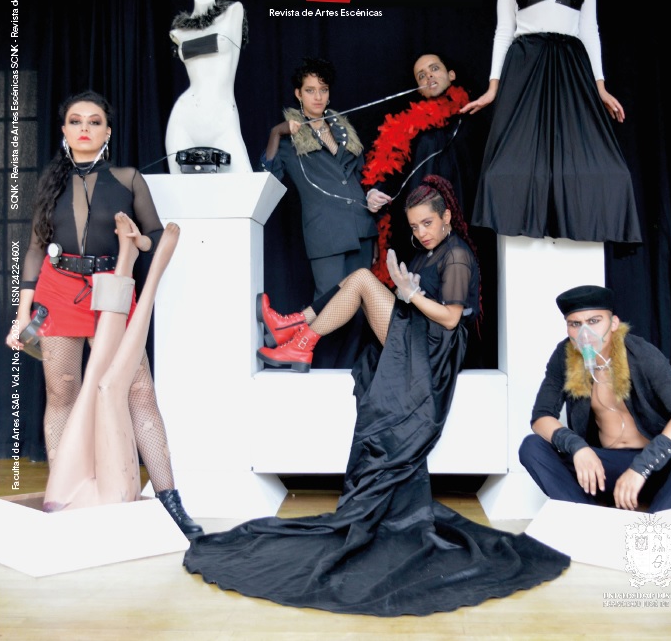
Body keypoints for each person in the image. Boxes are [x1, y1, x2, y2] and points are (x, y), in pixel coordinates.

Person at [183, 176, 571, 616]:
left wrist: (410, 295)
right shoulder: (429, 252)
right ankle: (296, 331)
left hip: (436, 352)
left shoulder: (457, 253)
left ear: (446, 217)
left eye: (428, 223)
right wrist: (407, 293)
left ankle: (297, 335)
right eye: (415, 226)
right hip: (419, 338)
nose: (422, 232)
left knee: (365, 281)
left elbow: (449, 319)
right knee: (361, 280)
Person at [6, 90, 202, 538]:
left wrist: (137, 239)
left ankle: (170, 502)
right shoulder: (50, 182)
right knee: (63, 392)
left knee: (139, 391)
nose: (85, 129)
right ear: (64, 130)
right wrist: (22, 313)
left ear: (107, 132)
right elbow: (35, 248)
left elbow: (155, 237)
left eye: (94, 122)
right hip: (58, 289)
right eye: (76, 121)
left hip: (112, 288)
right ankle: (63, 497)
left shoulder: (128, 178)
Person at [463, 0, 642, 243]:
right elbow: (504, 31)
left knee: (600, 168)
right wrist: (493, 87)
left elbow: (589, 30)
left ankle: (575, 224)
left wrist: (601, 86)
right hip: (525, 66)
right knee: (510, 167)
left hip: (571, 67)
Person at [518, 284, 671, 556]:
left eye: (594, 321)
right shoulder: (564, 356)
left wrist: (642, 467)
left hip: (658, 469)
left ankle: (653, 527)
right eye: (575, 324)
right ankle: (589, 523)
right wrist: (578, 448)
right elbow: (541, 417)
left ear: (614, 323)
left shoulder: (641, 354)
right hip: (605, 471)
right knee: (532, 447)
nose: (585, 333)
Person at [43, 214, 180, 512]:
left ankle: (127, 262)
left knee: (96, 379)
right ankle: (151, 273)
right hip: (108, 502)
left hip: (64, 500)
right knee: (108, 389)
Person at [258, 56, 378, 299]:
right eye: (310, 90)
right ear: (298, 94)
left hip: (361, 227)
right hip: (325, 233)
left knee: (361, 304)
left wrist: (373, 208)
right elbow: (266, 178)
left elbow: (363, 178)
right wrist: (276, 133)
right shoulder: (289, 139)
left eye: (323, 90)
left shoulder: (345, 131)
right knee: (329, 303)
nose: (318, 97)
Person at [363, 52, 486, 287]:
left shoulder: (475, 116)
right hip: (419, 232)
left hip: (466, 224)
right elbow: (389, 167)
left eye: (434, 69)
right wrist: (374, 192)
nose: (428, 76)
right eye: (421, 75)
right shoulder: (409, 127)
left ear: (451, 75)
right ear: (419, 90)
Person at [166, 0, 251, 174]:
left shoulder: (233, 12)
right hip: (185, 118)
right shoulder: (178, 32)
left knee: (247, 185)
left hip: (222, 118)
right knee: (181, 189)